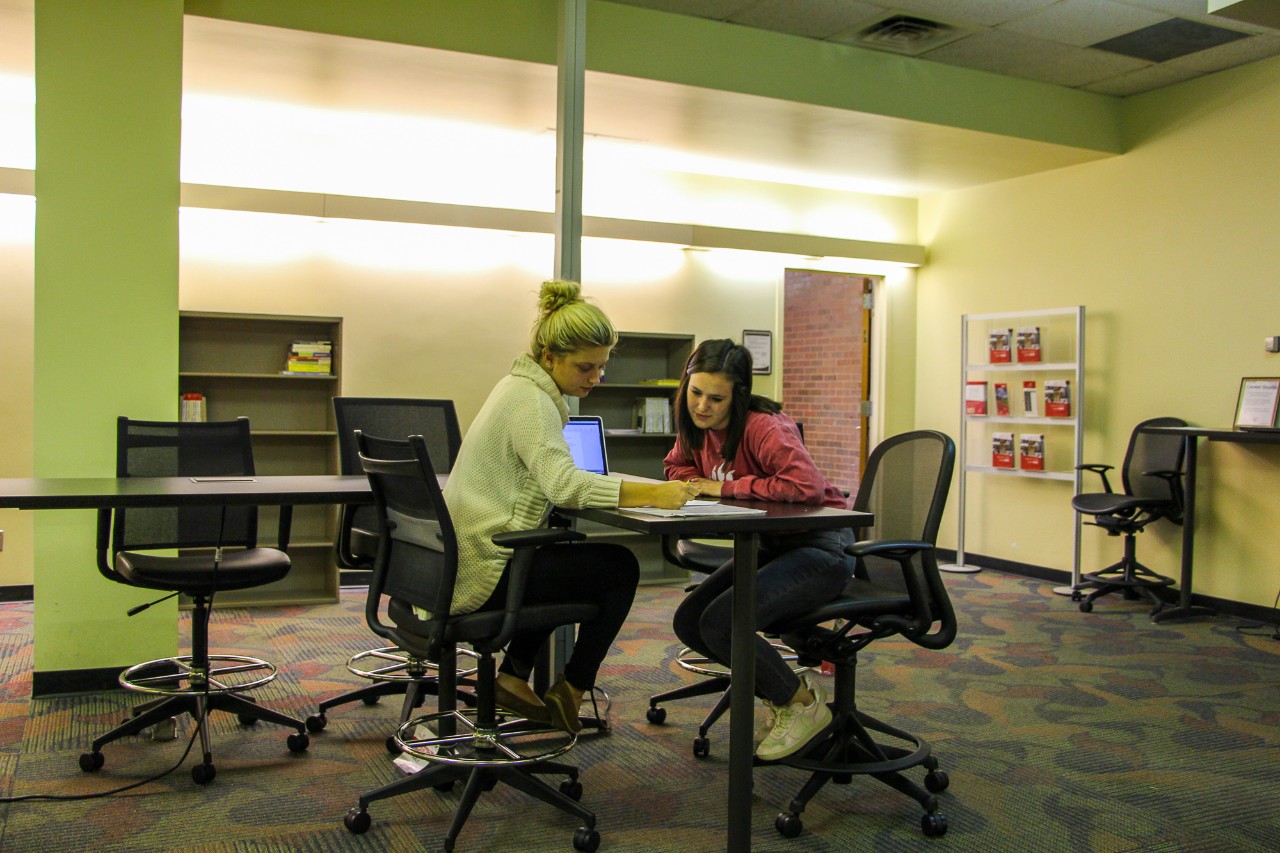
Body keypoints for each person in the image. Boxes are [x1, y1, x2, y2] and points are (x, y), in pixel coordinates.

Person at [443, 280, 697, 734]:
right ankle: (571, 688)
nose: (595, 379)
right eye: (585, 367)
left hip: (453, 564)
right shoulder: (532, 402)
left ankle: (515, 678)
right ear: (548, 357)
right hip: (481, 572)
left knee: (561, 559)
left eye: (600, 367)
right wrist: (655, 493)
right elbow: (563, 486)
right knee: (618, 566)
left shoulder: (515, 387)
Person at [663, 338, 852, 761]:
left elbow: (805, 487)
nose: (702, 407)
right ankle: (782, 689)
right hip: (772, 545)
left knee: (725, 623)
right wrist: (693, 480)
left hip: (823, 548)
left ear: (739, 396)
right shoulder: (696, 427)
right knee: (691, 621)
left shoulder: (764, 427)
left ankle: (801, 703)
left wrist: (726, 487)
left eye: (716, 398)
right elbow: (675, 465)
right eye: (695, 393)